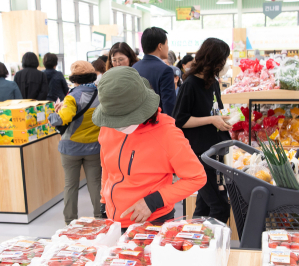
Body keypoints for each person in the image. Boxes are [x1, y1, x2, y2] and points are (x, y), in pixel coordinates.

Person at [92, 66, 206, 227]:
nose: (118, 126)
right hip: (113, 220)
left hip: (153, 222)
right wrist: (104, 201)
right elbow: (107, 168)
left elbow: (197, 177)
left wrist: (154, 201)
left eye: (124, 118)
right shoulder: (108, 126)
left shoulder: (167, 133)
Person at [174, 38, 232, 223]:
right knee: (220, 206)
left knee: (205, 205)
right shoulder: (190, 84)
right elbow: (180, 120)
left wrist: (223, 120)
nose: (224, 65)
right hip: (199, 154)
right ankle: (213, 244)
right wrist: (212, 120)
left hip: (214, 151)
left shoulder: (212, 82)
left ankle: (195, 240)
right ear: (213, 59)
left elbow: (214, 111)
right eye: (223, 60)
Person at [48, 61, 102, 225]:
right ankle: (100, 218)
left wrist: (53, 115)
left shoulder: (72, 97)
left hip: (71, 148)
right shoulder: (101, 95)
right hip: (94, 147)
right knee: (95, 184)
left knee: (70, 185)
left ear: (74, 78)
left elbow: (64, 118)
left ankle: (70, 220)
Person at [133, 27, 177, 117]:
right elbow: (169, 106)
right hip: (157, 124)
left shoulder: (134, 67)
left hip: (137, 125)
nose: (168, 47)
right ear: (160, 46)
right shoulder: (165, 70)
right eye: (167, 44)